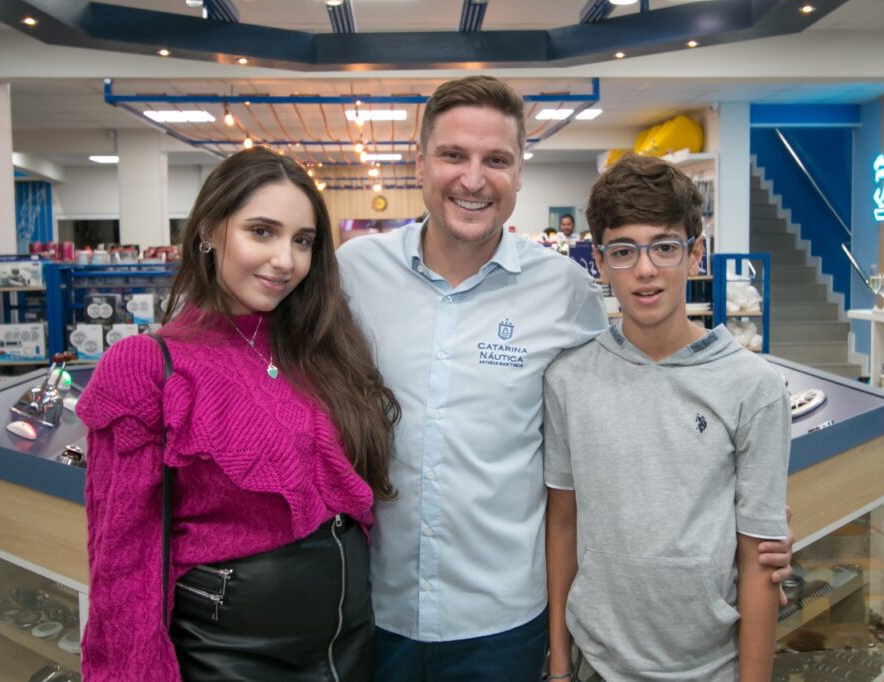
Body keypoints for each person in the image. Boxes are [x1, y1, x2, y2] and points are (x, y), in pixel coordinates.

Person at [337, 76, 794, 681]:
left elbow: (646, 403)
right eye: (453, 155)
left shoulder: (566, 292)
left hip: (505, 623)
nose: (474, 179)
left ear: (519, 173)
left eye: (496, 159)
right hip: (375, 605)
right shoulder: (352, 275)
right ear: (419, 161)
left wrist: (763, 533)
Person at [76, 148, 399, 681]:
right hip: (233, 657)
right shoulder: (147, 367)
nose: (286, 261)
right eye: (262, 231)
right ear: (209, 230)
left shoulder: (320, 347)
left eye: (302, 241)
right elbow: (123, 562)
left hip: (351, 644)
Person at [545, 153, 789, 681]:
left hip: (710, 665)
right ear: (601, 262)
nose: (646, 268)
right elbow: (563, 523)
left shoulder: (754, 387)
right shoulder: (568, 379)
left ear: (695, 254)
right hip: (597, 663)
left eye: (664, 246)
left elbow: (760, 559)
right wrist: (561, 666)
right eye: (624, 251)